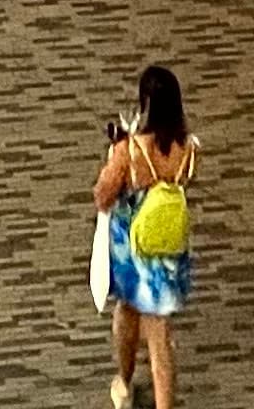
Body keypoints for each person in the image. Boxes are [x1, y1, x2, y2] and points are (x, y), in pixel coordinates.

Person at [96, 63, 197, 407]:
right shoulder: (189, 150)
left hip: (132, 251)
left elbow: (104, 194)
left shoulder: (132, 150)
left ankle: (124, 384)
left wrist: (113, 154)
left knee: (127, 314)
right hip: (169, 248)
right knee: (160, 334)